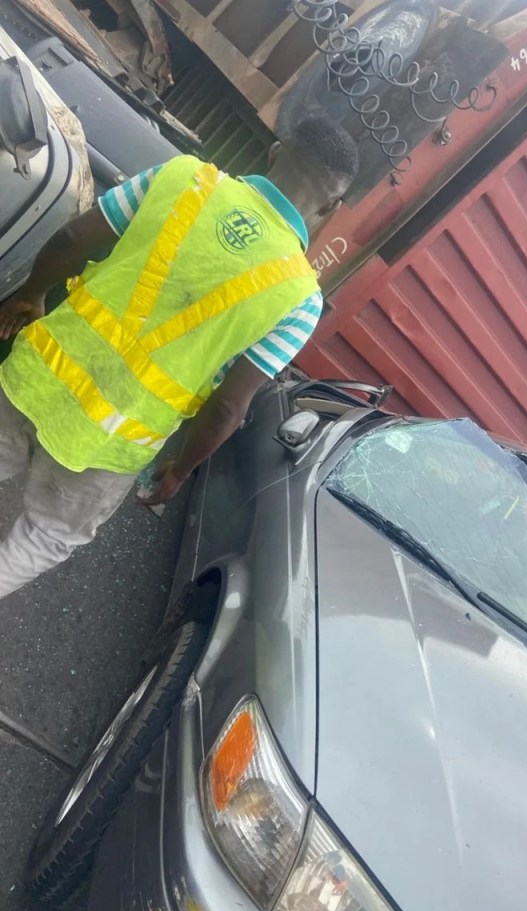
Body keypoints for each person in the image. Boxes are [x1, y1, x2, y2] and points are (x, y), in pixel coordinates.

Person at [0, 113, 359, 599]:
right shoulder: (300, 300)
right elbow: (229, 407)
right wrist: (180, 469)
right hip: (111, 441)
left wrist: (31, 294)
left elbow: (71, 239)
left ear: (275, 154)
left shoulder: (183, 176)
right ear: (332, 206)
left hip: (40, 375)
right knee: (44, 536)